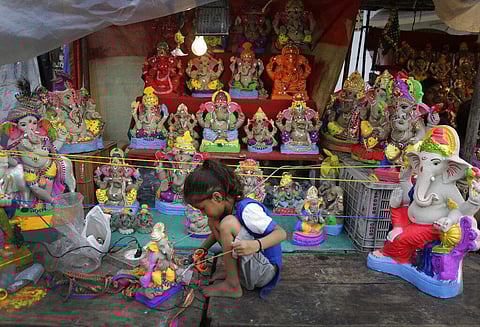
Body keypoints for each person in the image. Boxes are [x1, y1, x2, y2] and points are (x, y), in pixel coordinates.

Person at [183, 160, 286, 298]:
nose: (201, 213)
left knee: (228, 224)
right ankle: (234, 275)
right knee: (214, 220)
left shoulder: (248, 209)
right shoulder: (225, 208)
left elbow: (281, 233)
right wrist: (202, 250)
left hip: (264, 272)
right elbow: (216, 232)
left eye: (202, 208)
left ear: (217, 197)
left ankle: (232, 285)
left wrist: (256, 245)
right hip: (253, 267)